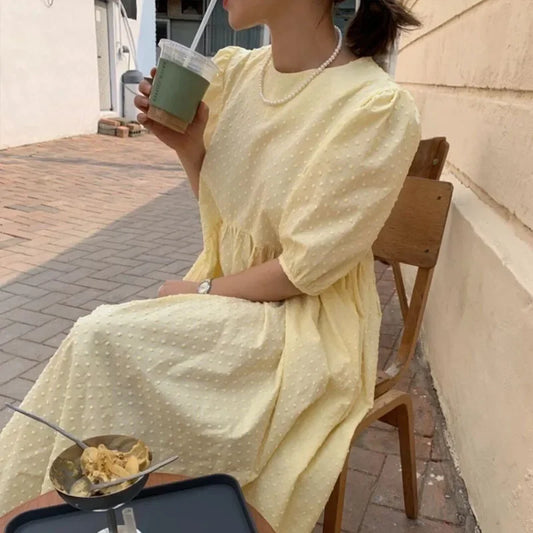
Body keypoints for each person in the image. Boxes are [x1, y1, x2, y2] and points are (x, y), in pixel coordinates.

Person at [0, 1, 421, 531]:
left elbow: (303, 271)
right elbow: (225, 218)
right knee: (109, 349)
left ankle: (88, 510)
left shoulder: (374, 107)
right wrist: (189, 148)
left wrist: (198, 291)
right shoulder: (235, 74)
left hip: (309, 323)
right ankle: (90, 509)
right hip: (234, 292)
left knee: (103, 340)